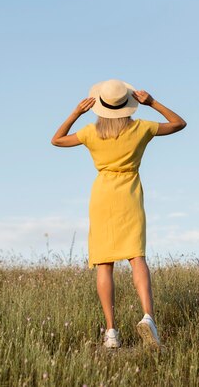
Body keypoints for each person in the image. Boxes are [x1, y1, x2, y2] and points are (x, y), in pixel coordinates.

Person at [51, 79, 186, 349]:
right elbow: (178, 123)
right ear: (128, 105)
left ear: (100, 106)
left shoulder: (90, 132)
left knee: (104, 264)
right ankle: (148, 317)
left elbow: (56, 140)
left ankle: (111, 331)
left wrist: (76, 112)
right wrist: (153, 102)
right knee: (137, 258)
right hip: (129, 196)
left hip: (102, 197)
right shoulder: (141, 128)